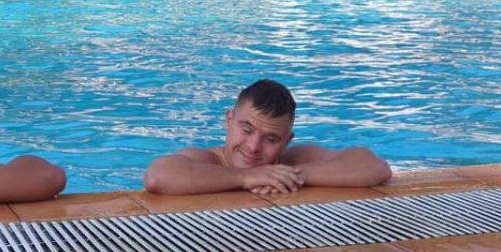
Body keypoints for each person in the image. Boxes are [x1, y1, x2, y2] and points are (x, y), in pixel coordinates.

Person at [144, 79, 391, 197]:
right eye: (246, 130)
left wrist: (293, 175)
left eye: (271, 139)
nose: (254, 147)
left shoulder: (293, 160)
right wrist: (247, 177)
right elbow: (157, 178)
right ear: (229, 121)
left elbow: (375, 167)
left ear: (286, 141)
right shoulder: (207, 160)